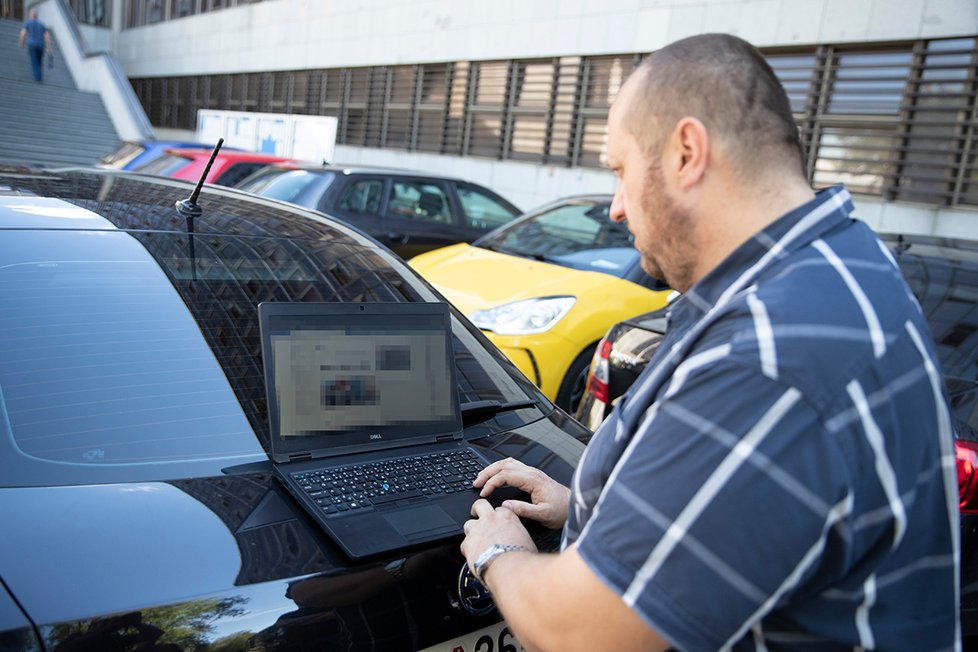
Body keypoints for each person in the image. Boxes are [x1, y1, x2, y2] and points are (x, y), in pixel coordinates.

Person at [461, 33, 960, 651]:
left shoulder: (772, 354)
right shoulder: (846, 266)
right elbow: (769, 514)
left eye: (620, 170)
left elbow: (585, 635)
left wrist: (499, 554)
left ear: (687, 152)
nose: (615, 207)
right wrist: (599, 509)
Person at [18, 8, 52, 83]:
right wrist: (49, 47)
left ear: (30, 15)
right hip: (41, 45)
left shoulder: (28, 22)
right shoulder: (41, 24)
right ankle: (39, 77)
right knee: (39, 61)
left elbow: (23, 33)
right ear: (37, 16)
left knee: (34, 61)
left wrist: (21, 43)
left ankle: (37, 79)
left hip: (32, 44)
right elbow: (47, 36)